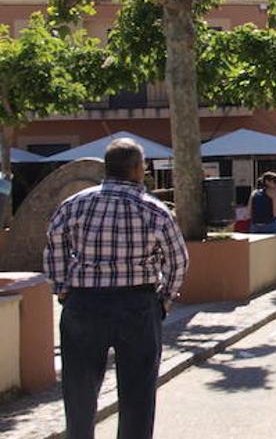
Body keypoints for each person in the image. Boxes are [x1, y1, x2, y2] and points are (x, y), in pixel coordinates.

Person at [44, 137, 189, 439]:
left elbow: (54, 246)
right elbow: (178, 261)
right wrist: (163, 300)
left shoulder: (74, 205)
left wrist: (62, 287)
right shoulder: (155, 210)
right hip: (138, 304)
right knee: (138, 391)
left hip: (84, 303)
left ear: (107, 168)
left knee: (79, 390)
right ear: (137, 169)